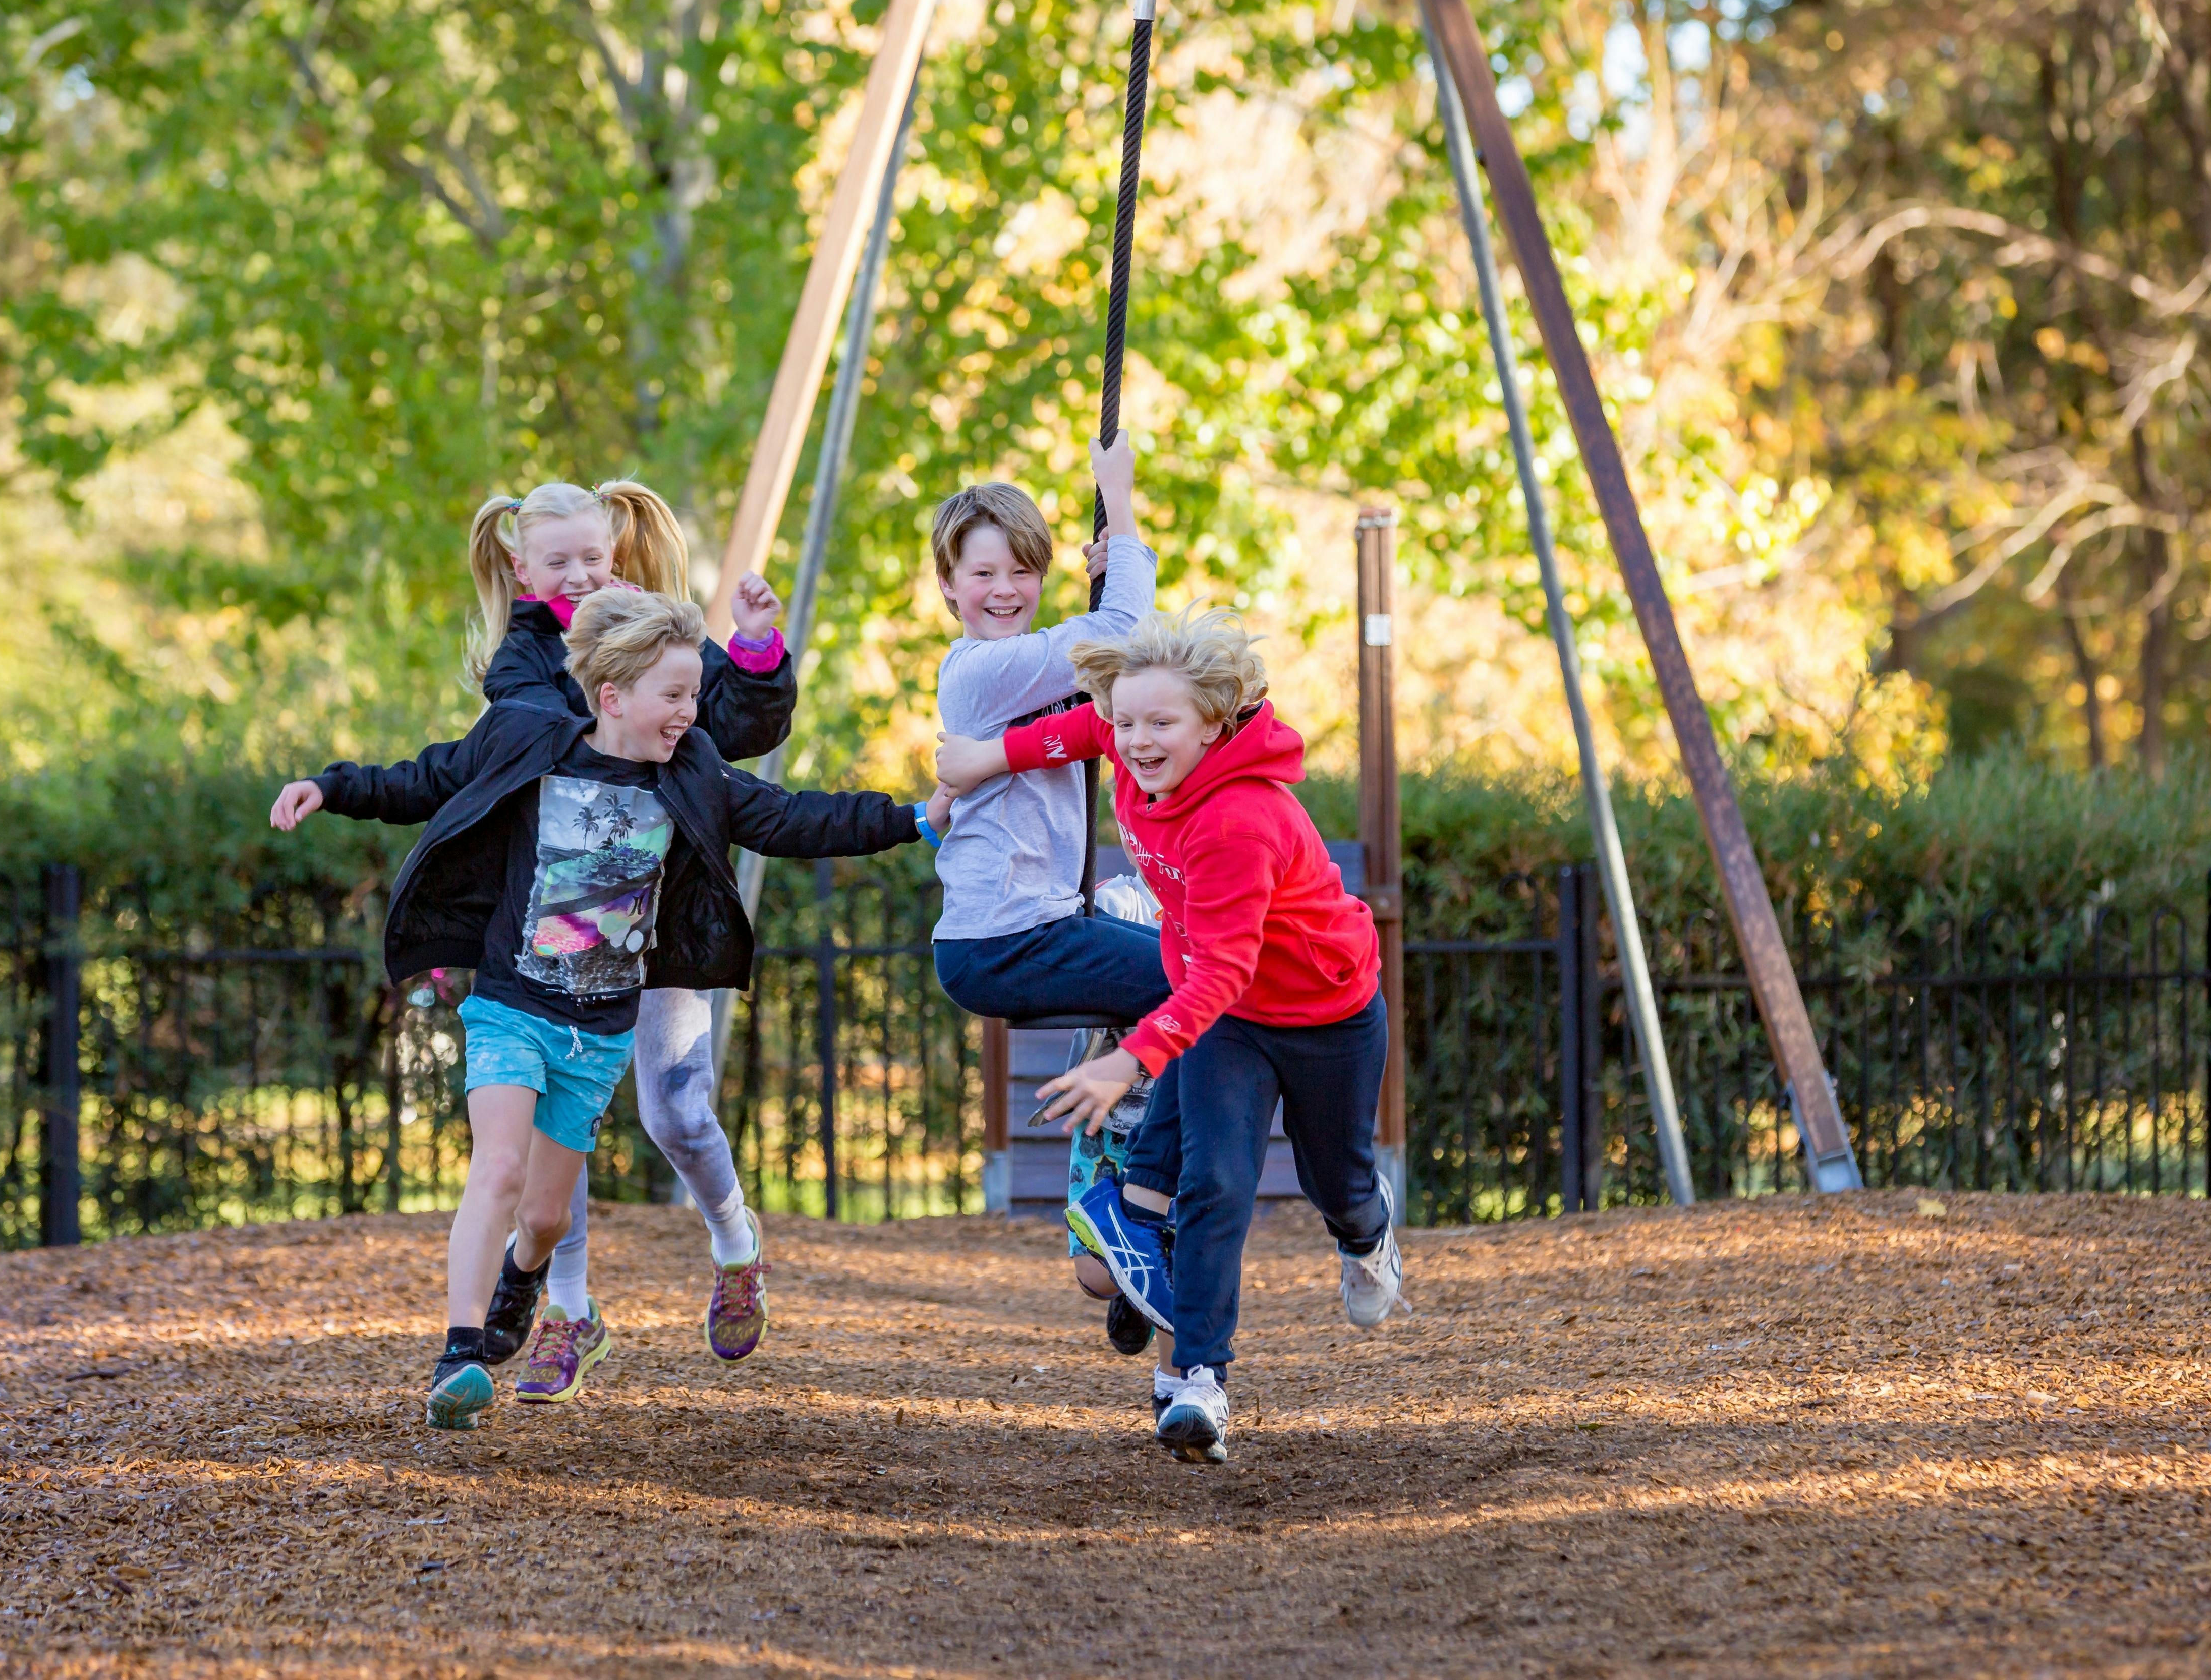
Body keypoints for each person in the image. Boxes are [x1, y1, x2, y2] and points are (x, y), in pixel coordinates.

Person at [271, 591, 936, 1431]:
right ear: (613, 696)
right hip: (512, 1004)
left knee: (546, 1218)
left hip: (599, 1031)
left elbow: (791, 817)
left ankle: (525, 1279)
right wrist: (329, 788)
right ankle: (459, 1353)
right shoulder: (528, 744)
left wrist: (912, 817)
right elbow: (425, 778)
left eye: (695, 695)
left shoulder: (690, 771)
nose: (690, 713)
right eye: (674, 696)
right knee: (500, 1169)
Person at [935, 604, 1407, 1465]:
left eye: (1162, 723)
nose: (1138, 739)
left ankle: (1367, 1234)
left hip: (1324, 1010)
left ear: (1215, 724)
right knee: (1217, 1182)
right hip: (1230, 1021)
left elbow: (1223, 970)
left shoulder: (1239, 820)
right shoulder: (1128, 743)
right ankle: (1196, 1381)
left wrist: (1127, 1059)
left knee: (1332, 1180)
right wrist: (985, 758)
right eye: (1129, 721)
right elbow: (1080, 727)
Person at [464, 479, 792, 1385]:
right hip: (567, 933)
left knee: (676, 1113)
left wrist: (758, 655)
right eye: (557, 562)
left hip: (655, 919)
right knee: (544, 1142)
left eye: (593, 558)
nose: (578, 575)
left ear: (617, 552)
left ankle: (736, 1246)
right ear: (522, 567)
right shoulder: (525, 659)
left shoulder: (659, 633)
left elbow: (736, 724)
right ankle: (568, 1310)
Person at [922, 432, 1180, 1357]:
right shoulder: (983, 669)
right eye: (983, 572)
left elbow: (1107, 697)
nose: (1005, 589)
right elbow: (1121, 639)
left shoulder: (1022, 668)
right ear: (948, 586)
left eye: (1023, 571)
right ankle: (1129, 1196)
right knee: (1197, 993)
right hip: (1003, 941)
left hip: (1030, 929)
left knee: (1171, 984)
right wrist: (1122, 503)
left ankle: (1121, 1198)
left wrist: (1115, 569)